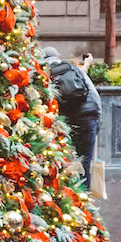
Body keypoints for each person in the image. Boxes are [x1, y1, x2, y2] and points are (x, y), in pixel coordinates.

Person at [42, 47, 102, 179]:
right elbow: (93, 93)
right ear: (58, 56)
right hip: (89, 116)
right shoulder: (72, 68)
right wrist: (96, 118)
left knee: (67, 161)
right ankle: (84, 196)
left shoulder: (45, 74)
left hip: (69, 120)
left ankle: (71, 195)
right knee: (85, 162)